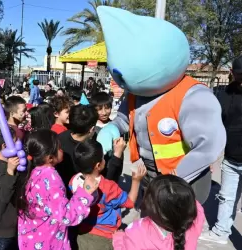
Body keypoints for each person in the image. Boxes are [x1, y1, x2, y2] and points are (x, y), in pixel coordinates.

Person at [96, 6, 225, 205]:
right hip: (147, 171)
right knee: (151, 222)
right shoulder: (134, 94)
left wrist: (179, 175)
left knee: (175, 226)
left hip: (182, 176)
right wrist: (112, 129)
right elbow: (124, 118)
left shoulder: (191, 94)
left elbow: (208, 145)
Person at [16, 130, 98, 250]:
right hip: (49, 242)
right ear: (50, 158)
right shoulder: (51, 178)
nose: (62, 150)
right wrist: (85, 193)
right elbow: (65, 216)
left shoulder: (33, 172)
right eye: (59, 148)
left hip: (31, 240)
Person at [71, 140, 146, 250]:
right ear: (98, 165)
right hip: (104, 237)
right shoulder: (108, 187)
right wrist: (136, 180)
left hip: (82, 233)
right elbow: (129, 202)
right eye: (103, 158)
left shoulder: (73, 181)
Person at [200, 55, 242, 244]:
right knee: (226, 197)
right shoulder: (224, 94)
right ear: (232, 73)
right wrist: (210, 157)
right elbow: (216, 127)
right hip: (232, 159)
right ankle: (221, 232)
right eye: (240, 75)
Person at [113, 175, 205, 250]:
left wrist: (118, 238)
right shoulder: (194, 222)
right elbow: (193, 204)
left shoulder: (137, 231)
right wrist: (176, 189)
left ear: (150, 205)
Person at [0, 125, 21, 250]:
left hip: (0, 224)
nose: (19, 144)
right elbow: (5, 195)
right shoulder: (2, 167)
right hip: (4, 228)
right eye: (15, 141)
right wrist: (10, 172)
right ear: (5, 147)